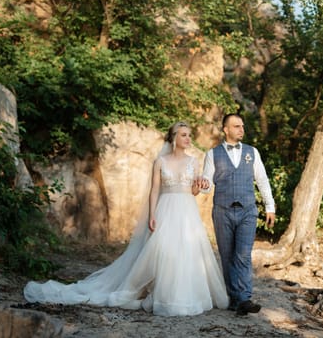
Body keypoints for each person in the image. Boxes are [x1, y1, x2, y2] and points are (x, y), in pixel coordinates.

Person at [24, 121, 229, 316]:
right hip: (166, 209)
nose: (188, 139)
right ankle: (162, 294)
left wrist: (199, 185)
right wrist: (152, 215)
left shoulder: (193, 161)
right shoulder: (161, 161)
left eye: (189, 135)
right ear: (174, 137)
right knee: (163, 250)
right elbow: (155, 190)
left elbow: (193, 191)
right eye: (184, 135)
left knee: (187, 250)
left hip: (187, 210)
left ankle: (185, 295)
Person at [200, 113, 276, 316]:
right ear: (226, 129)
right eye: (236, 126)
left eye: (242, 126)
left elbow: (262, 180)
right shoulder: (212, 154)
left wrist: (270, 207)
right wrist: (204, 184)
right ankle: (235, 300)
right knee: (227, 255)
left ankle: (244, 298)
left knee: (242, 254)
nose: (241, 129)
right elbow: (207, 185)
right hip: (222, 211)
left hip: (248, 211)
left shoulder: (253, 152)